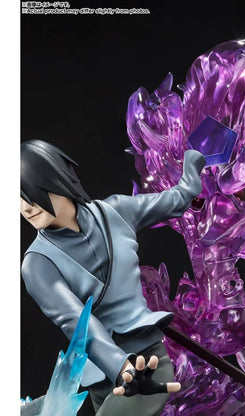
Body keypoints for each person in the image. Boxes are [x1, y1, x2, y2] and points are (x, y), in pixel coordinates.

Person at [21, 139, 206, 416]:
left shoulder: (116, 212)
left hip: (147, 359)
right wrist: (122, 369)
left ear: (55, 180)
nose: (25, 208)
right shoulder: (38, 263)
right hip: (104, 375)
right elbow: (77, 323)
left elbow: (175, 200)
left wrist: (193, 161)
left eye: (30, 194)